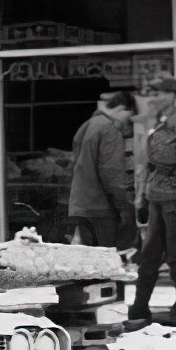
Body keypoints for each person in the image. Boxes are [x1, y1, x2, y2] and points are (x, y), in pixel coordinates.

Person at [124, 76, 176, 328]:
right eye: (151, 92)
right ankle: (140, 303)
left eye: (159, 92)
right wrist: (141, 196)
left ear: (172, 94)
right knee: (149, 254)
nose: (153, 97)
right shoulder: (153, 124)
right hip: (156, 196)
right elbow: (145, 164)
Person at [66, 90, 137, 248]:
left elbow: (77, 161)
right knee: (109, 258)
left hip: (81, 203)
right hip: (101, 206)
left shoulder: (88, 124)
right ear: (123, 109)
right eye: (130, 116)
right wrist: (125, 204)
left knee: (90, 262)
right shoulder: (109, 129)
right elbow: (111, 171)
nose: (129, 123)